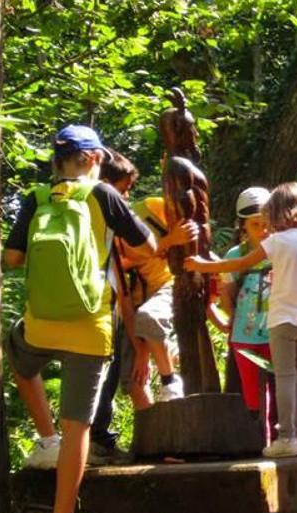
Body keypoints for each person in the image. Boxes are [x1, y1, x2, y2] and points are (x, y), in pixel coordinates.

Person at [3, 126, 156, 513]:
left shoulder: (36, 198)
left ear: (58, 161)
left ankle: (45, 439)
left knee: (18, 354)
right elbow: (148, 247)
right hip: (90, 324)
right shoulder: (103, 195)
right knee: (79, 426)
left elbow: (12, 258)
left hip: (41, 320)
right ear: (92, 159)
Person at [187, 183, 297, 457]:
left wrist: (203, 266)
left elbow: (240, 264)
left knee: (286, 377)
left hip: (282, 320)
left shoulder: (276, 242)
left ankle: (287, 437)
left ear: (277, 211)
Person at [88, 149, 196, 464]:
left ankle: (169, 381)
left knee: (151, 321)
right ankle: (157, 442)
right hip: (132, 307)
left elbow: (179, 238)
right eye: (122, 188)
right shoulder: (103, 229)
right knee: (132, 380)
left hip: (164, 291)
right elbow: (123, 281)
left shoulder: (149, 210)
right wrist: (140, 350)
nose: (125, 195)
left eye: (126, 190)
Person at [211, 187, 297, 447]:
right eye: (256, 225)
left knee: (291, 387)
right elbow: (226, 296)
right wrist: (229, 320)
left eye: (267, 224)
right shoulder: (235, 256)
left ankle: (296, 441)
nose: (263, 230)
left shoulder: (283, 248)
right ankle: (259, 445)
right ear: (243, 226)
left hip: (282, 330)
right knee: (255, 399)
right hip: (247, 335)